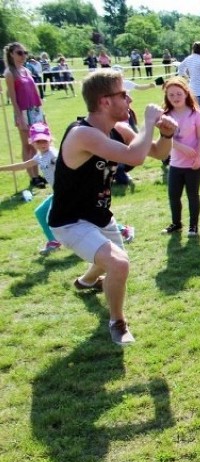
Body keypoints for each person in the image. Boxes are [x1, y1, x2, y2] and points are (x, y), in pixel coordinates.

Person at [47, 70, 176, 345]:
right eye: (123, 94)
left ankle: (85, 282)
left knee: (111, 260)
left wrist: (166, 135)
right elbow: (135, 157)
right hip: (70, 221)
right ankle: (117, 322)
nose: (129, 98)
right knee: (118, 263)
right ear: (105, 101)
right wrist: (150, 122)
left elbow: (156, 152)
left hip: (100, 216)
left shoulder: (119, 128)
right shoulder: (82, 134)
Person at [0, 122, 61, 254]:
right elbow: (24, 165)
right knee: (40, 212)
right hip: (58, 193)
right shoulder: (39, 156)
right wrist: (1, 169)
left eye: (44, 140)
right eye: (38, 141)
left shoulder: (53, 155)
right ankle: (54, 241)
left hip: (65, 193)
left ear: (50, 139)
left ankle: (114, 229)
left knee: (75, 217)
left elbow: (66, 166)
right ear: (32, 142)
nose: (42, 144)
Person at [161, 77, 200, 237]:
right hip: (175, 163)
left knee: (192, 195)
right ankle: (176, 223)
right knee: (173, 195)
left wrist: (198, 157)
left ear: (186, 94)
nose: (175, 97)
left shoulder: (196, 114)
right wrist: (180, 147)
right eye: (171, 95)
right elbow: (164, 137)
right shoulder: (165, 115)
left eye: (178, 94)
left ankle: (193, 226)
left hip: (195, 163)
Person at [4, 42, 45, 190]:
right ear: (11, 54)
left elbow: (35, 92)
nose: (23, 56)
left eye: (24, 52)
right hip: (23, 111)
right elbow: (13, 98)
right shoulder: (10, 73)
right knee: (26, 145)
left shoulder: (26, 70)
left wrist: (41, 112)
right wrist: (19, 117)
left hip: (35, 109)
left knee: (36, 143)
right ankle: (32, 177)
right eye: (19, 53)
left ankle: (37, 173)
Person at [177, 42, 200, 112]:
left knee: (192, 112)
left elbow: (180, 68)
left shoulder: (188, 59)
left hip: (191, 88)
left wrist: (186, 77)